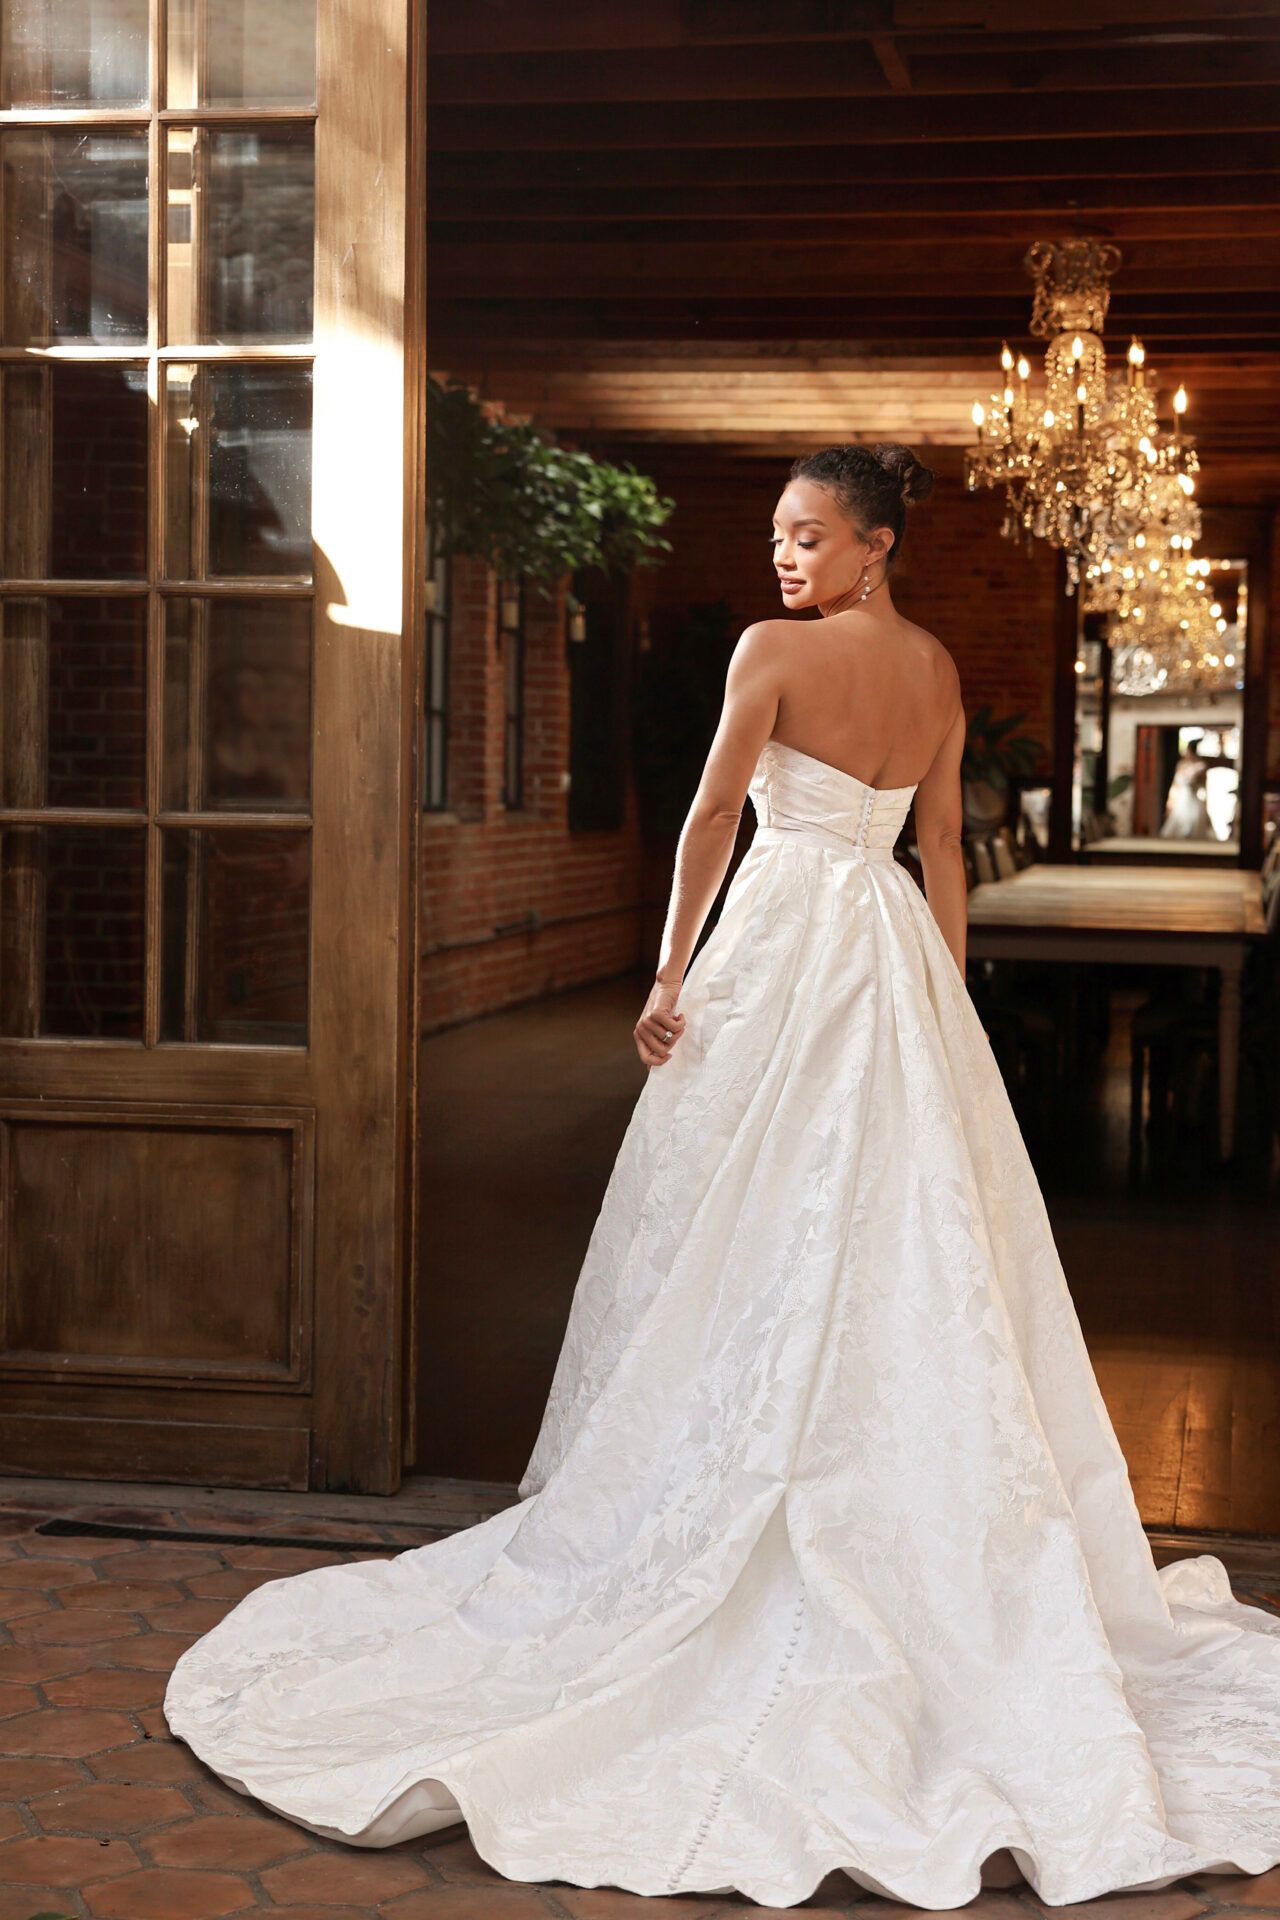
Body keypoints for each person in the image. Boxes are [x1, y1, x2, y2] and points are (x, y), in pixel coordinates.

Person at [163, 443, 1280, 1911]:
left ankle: (742, 1495)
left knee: (737, 1220)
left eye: (810, 537)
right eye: (776, 536)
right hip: (883, 948)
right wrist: (940, 999)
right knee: (887, 1242)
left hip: (783, 946)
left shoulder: (774, 656)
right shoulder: (940, 674)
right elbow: (941, 850)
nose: (782, 558)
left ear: (876, 546)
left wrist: (672, 965)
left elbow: (709, 820)